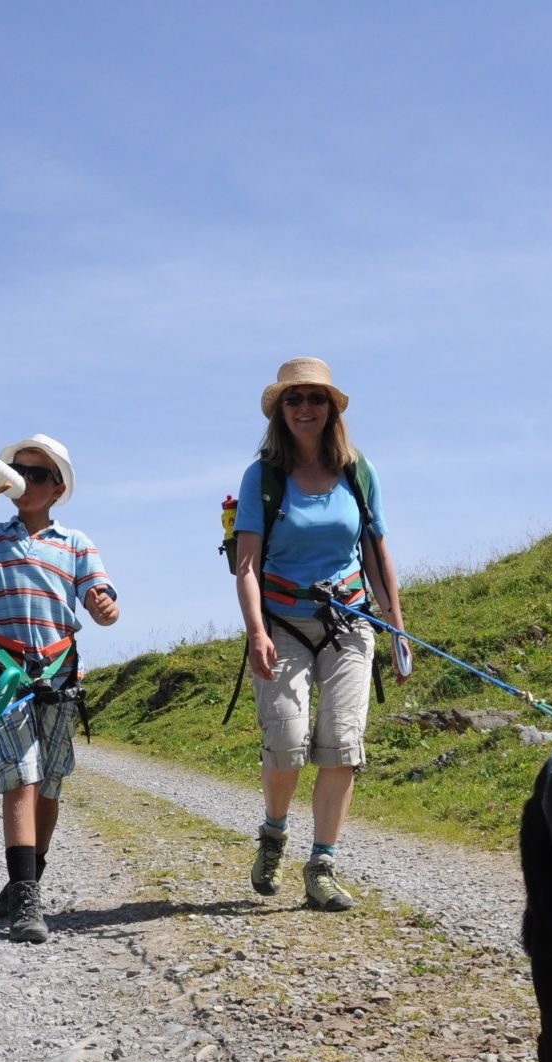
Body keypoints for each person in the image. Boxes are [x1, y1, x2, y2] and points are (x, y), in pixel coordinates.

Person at [0, 435, 118, 942]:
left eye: (36, 474)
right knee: (20, 777)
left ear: (57, 489)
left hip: (58, 674)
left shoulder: (75, 543)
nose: (23, 479)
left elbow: (101, 595)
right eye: (17, 470)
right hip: (5, 672)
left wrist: (103, 606)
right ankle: (27, 900)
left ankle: (27, 877)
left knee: (50, 782)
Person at [232, 357, 407, 911]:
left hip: (352, 622)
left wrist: (397, 627)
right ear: (280, 411)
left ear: (332, 409)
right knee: (285, 741)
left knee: (342, 741)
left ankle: (322, 866)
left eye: (315, 399)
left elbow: (377, 551)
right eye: (294, 399)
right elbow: (247, 566)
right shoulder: (262, 476)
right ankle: (274, 834)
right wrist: (256, 631)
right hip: (282, 622)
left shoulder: (359, 471)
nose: (304, 408)